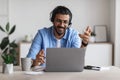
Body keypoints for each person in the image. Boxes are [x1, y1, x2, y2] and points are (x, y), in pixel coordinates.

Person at [27, 5, 91, 67]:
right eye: (58, 21)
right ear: (53, 21)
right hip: (45, 75)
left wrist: (84, 43)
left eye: (65, 22)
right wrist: (35, 62)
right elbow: (28, 61)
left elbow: (77, 61)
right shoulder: (41, 34)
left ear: (69, 24)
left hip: (68, 75)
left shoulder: (74, 35)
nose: (61, 25)